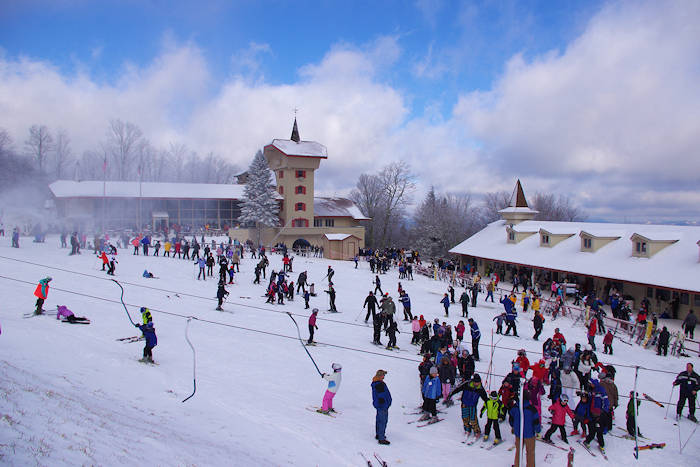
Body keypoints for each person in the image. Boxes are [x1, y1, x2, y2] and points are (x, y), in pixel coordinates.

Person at [509, 398, 540, 467]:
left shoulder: (515, 407)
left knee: (518, 450)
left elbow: (511, 419)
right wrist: (538, 430)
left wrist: (514, 426)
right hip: (529, 434)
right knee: (530, 452)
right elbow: (536, 421)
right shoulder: (532, 409)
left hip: (518, 433)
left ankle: (517, 464)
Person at [372, 369, 392, 445]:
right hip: (382, 406)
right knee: (383, 421)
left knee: (379, 420)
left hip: (380, 405)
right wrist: (385, 403)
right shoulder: (379, 384)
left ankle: (378, 434)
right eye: (383, 375)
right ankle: (381, 438)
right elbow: (381, 396)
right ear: (380, 376)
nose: (384, 376)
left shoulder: (377, 383)